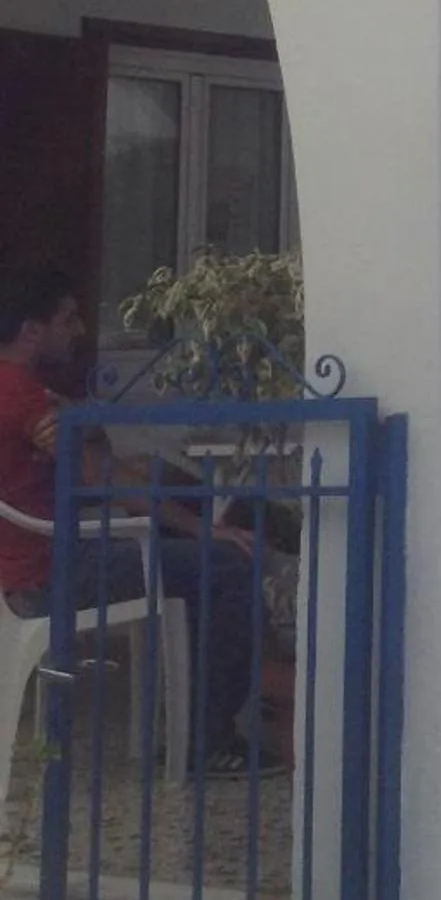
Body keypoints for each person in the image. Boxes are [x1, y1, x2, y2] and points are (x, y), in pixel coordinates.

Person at [0, 262, 259, 774]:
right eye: (68, 319)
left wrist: (80, 418)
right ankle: (208, 741)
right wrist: (206, 530)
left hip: (39, 561)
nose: (79, 330)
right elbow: (105, 478)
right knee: (228, 566)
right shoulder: (19, 394)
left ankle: (191, 716)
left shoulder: (28, 391)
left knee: (173, 506)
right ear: (32, 330)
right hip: (48, 573)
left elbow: (100, 462)